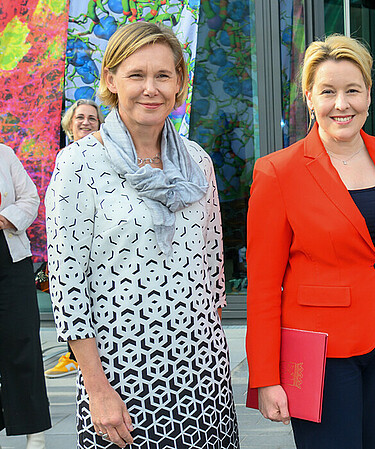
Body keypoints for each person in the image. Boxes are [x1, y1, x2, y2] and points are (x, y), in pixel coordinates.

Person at [46, 22, 239, 448]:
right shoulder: (79, 164)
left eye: (162, 76)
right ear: (111, 81)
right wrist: (96, 388)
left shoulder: (198, 161)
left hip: (202, 379)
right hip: (122, 378)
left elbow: (212, 270)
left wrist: (213, 357)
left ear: (179, 84)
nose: (150, 88)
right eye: (136, 75)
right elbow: (68, 287)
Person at [245, 34, 375, 449]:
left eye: (353, 90)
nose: (341, 104)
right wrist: (265, 377)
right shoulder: (278, 172)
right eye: (327, 91)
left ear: (369, 94)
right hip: (318, 352)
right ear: (309, 98)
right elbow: (262, 287)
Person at [45, 98, 104, 379]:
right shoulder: (66, 158)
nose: (86, 122)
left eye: (92, 118)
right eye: (80, 117)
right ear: (70, 124)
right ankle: (73, 354)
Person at [0, 143, 50, 448]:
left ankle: (35, 432)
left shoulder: (4, 154)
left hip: (10, 258)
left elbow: (30, 198)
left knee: (22, 341)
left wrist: (4, 219)